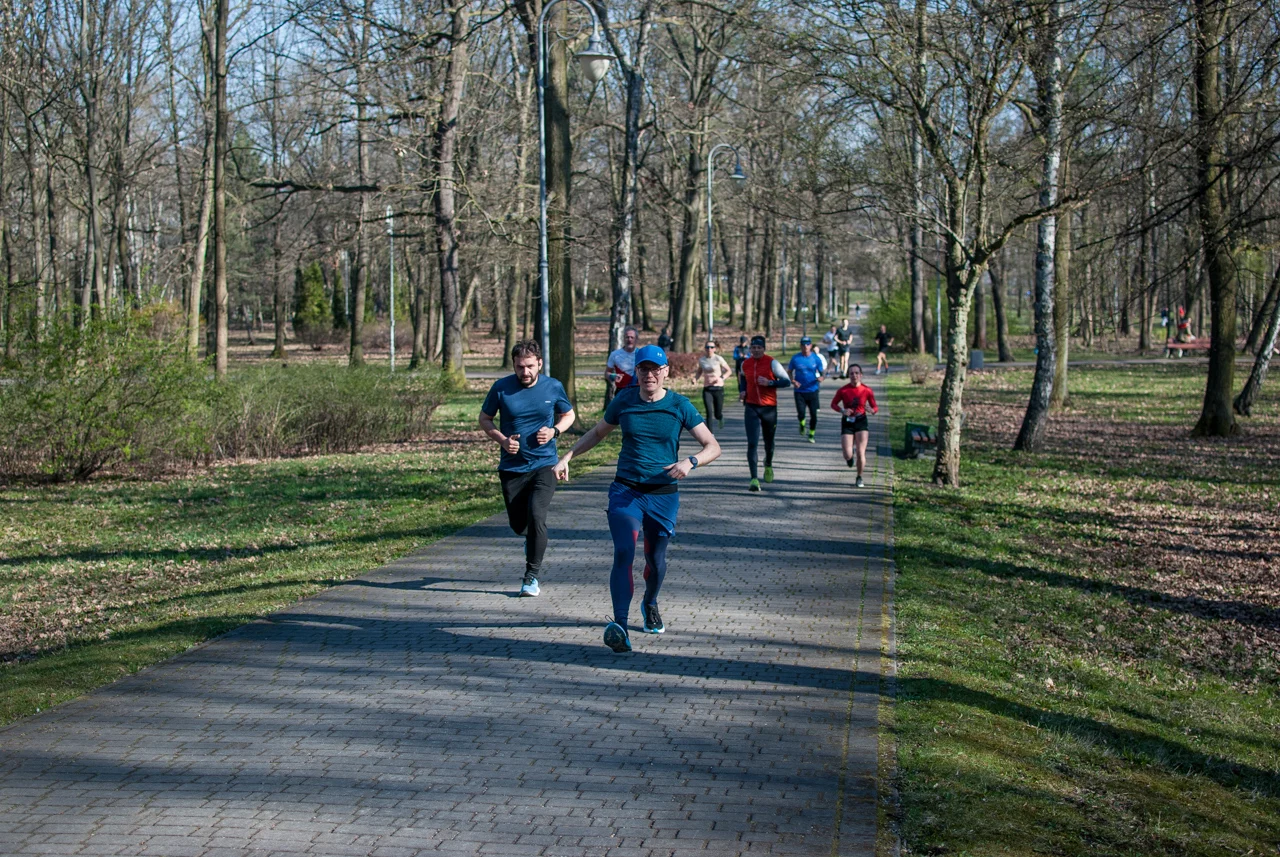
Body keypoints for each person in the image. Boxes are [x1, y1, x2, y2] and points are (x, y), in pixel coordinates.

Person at [554, 345, 721, 653]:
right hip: (626, 490)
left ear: (666, 371)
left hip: (662, 494)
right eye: (643, 369)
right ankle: (619, 625)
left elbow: (713, 446)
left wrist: (691, 462)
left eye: (655, 369)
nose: (649, 375)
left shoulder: (679, 405)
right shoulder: (624, 400)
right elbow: (597, 433)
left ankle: (650, 602)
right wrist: (567, 457)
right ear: (637, 372)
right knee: (624, 552)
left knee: (655, 561)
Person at [479, 340, 576, 597]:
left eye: (530, 366)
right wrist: (502, 440)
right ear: (513, 365)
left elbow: (569, 415)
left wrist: (554, 431)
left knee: (536, 515)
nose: (525, 372)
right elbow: (485, 418)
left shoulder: (553, 386)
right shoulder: (501, 388)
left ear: (540, 364)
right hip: (512, 468)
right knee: (518, 524)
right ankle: (531, 539)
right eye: (520, 367)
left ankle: (531, 577)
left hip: (545, 464)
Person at [738, 335, 791, 492]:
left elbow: (787, 381)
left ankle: (768, 463)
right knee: (752, 443)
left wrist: (770, 383)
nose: (756, 350)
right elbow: (742, 379)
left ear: (764, 349)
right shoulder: (745, 364)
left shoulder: (772, 363)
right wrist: (742, 391)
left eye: (759, 348)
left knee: (769, 442)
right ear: (750, 349)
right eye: (753, 348)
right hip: (751, 407)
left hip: (769, 408)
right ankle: (754, 479)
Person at [830, 364, 877, 488]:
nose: (854, 375)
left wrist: (872, 410)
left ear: (861, 375)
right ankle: (849, 459)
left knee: (861, 453)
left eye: (856, 373)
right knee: (847, 453)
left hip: (861, 421)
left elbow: (875, 407)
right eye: (851, 373)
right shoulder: (843, 390)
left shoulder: (867, 390)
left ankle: (859, 477)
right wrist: (842, 410)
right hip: (847, 422)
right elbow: (833, 404)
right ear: (848, 375)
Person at [788, 335, 825, 444]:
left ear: (811, 345)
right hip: (799, 391)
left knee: (814, 415)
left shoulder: (815, 358)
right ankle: (802, 424)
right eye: (803, 345)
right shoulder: (795, 358)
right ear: (800, 346)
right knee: (801, 413)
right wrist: (793, 381)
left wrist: (821, 377)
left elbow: (822, 372)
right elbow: (789, 371)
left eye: (808, 344)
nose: (805, 346)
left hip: (812, 390)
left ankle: (811, 434)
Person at [692, 340, 732, 430]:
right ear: (705, 348)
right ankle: (711, 434)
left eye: (711, 347)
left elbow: (729, 371)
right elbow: (699, 372)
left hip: (718, 388)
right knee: (709, 412)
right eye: (707, 347)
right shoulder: (702, 360)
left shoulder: (718, 358)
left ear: (715, 349)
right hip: (707, 389)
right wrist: (695, 379)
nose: (709, 349)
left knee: (717, 413)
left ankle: (720, 417)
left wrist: (721, 378)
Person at [606, 326, 639, 395]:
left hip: (638, 391)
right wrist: (613, 376)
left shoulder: (641, 354)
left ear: (636, 339)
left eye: (632, 337)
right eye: (627, 337)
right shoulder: (615, 355)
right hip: (621, 391)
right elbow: (607, 373)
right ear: (623, 339)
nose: (629, 340)